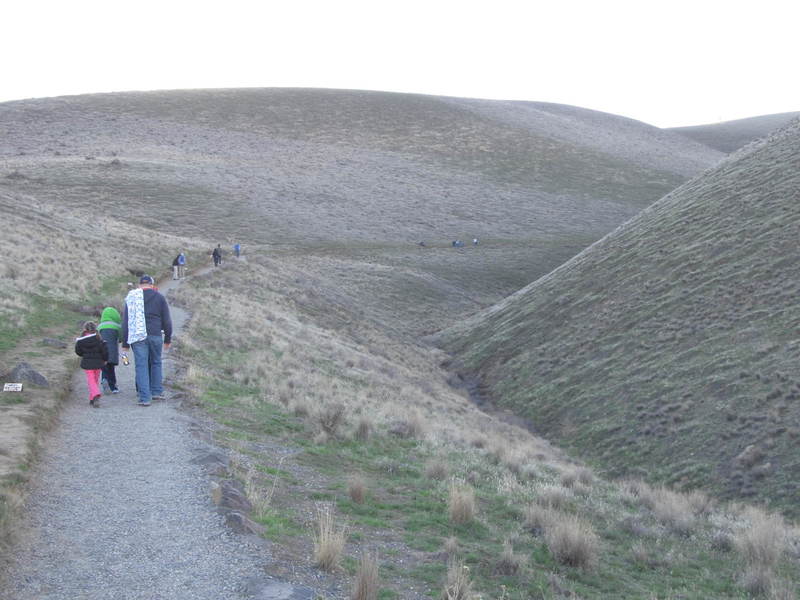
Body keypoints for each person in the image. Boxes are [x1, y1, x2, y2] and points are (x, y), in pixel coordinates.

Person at [121, 275, 172, 406]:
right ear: (152, 284)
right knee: (156, 362)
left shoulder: (131, 299)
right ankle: (156, 392)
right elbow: (167, 320)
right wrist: (167, 338)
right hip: (155, 335)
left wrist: (125, 343)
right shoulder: (159, 297)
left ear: (139, 285)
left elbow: (126, 321)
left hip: (138, 337)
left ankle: (144, 398)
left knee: (141, 366)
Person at [75, 321, 108, 408]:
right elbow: (104, 351)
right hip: (98, 362)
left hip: (87, 362)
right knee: (95, 379)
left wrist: (84, 354)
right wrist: (105, 359)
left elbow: (78, 351)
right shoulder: (99, 339)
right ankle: (93, 397)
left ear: (85, 329)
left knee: (91, 379)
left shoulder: (81, 340)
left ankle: (94, 395)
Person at [98, 306, 122, 393]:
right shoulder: (117, 326)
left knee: (104, 368)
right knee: (111, 368)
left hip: (102, 351)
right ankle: (113, 387)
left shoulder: (100, 326)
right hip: (112, 352)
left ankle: (104, 379)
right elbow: (121, 338)